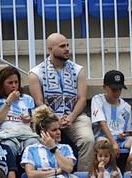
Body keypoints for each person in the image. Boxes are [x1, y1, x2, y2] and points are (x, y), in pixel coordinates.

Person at [27, 35, 94, 168]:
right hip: (47, 118)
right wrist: (55, 119)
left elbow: (82, 100)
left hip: (75, 116)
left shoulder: (78, 70)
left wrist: (71, 117)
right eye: (62, 46)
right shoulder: (35, 73)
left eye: (67, 45)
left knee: (88, 140)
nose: (67, 49)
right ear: (50, 49)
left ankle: (82, 175)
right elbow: (39, 102)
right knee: (35, 140)